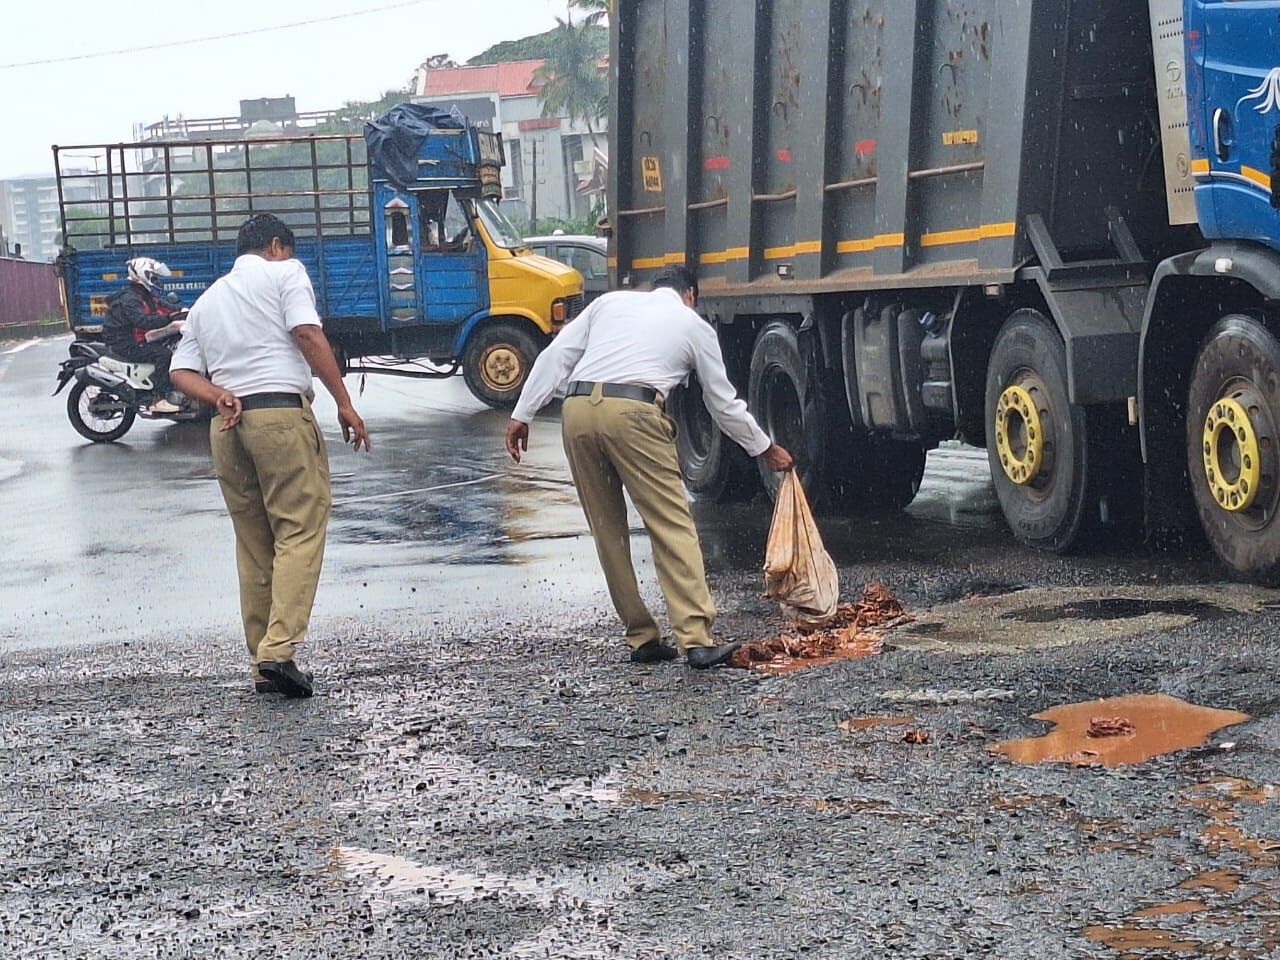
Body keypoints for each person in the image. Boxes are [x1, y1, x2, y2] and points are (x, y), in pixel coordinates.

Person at [506, 265, 795, 669]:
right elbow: (723, 405)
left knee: (607, 530)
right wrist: (764, 448)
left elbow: (557, 356)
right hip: (634, 412)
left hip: (576, 410)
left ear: (652, 289)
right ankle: (696, 638)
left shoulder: (608, 304)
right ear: (690, 294)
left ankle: (642, 638)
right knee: (671, 525)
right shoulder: (693, 325)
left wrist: (523, 413)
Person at [170, 214, 371, 699]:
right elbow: (307, 334)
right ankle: (279, 651)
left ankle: (262, 660)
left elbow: (180, 371)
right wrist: (344, 401)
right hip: (278, 416)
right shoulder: (286, 273)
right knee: (299, 528)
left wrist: (219, 395)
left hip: (228, 425)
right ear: (278, 246)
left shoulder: (209, 298)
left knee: (254, 542)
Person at [102, 257, 183, 414]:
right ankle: (158, 399)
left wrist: (183, 312)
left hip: (136, 339)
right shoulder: (130, 298)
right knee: (164, 354)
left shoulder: (144, 295)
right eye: (153, 277)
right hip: (125, 343)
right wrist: (169, 319)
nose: (156, 280)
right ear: (142, 276)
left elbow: (167, 307)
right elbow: (143, 321)